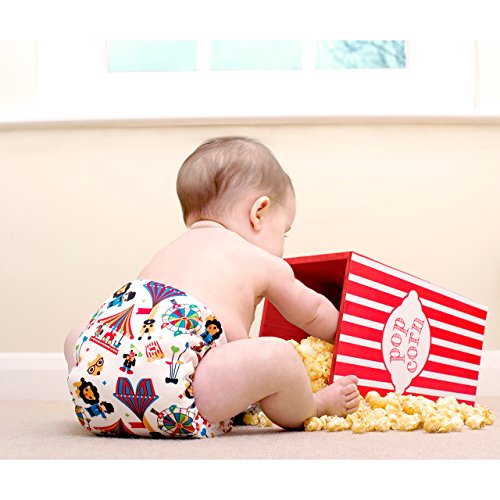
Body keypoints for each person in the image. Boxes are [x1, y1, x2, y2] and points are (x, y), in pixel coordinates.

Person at [65, 136, 360, 438]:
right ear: (258, 213)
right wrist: (349, 335)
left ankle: (94, 384)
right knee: (278, 356)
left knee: (78, 335)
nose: (282, 243)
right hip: (179, 392)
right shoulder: (259, 260)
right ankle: (314, 405)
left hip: (97, 390)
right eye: (284, 232)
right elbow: (313, 312)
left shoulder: (169, 250)